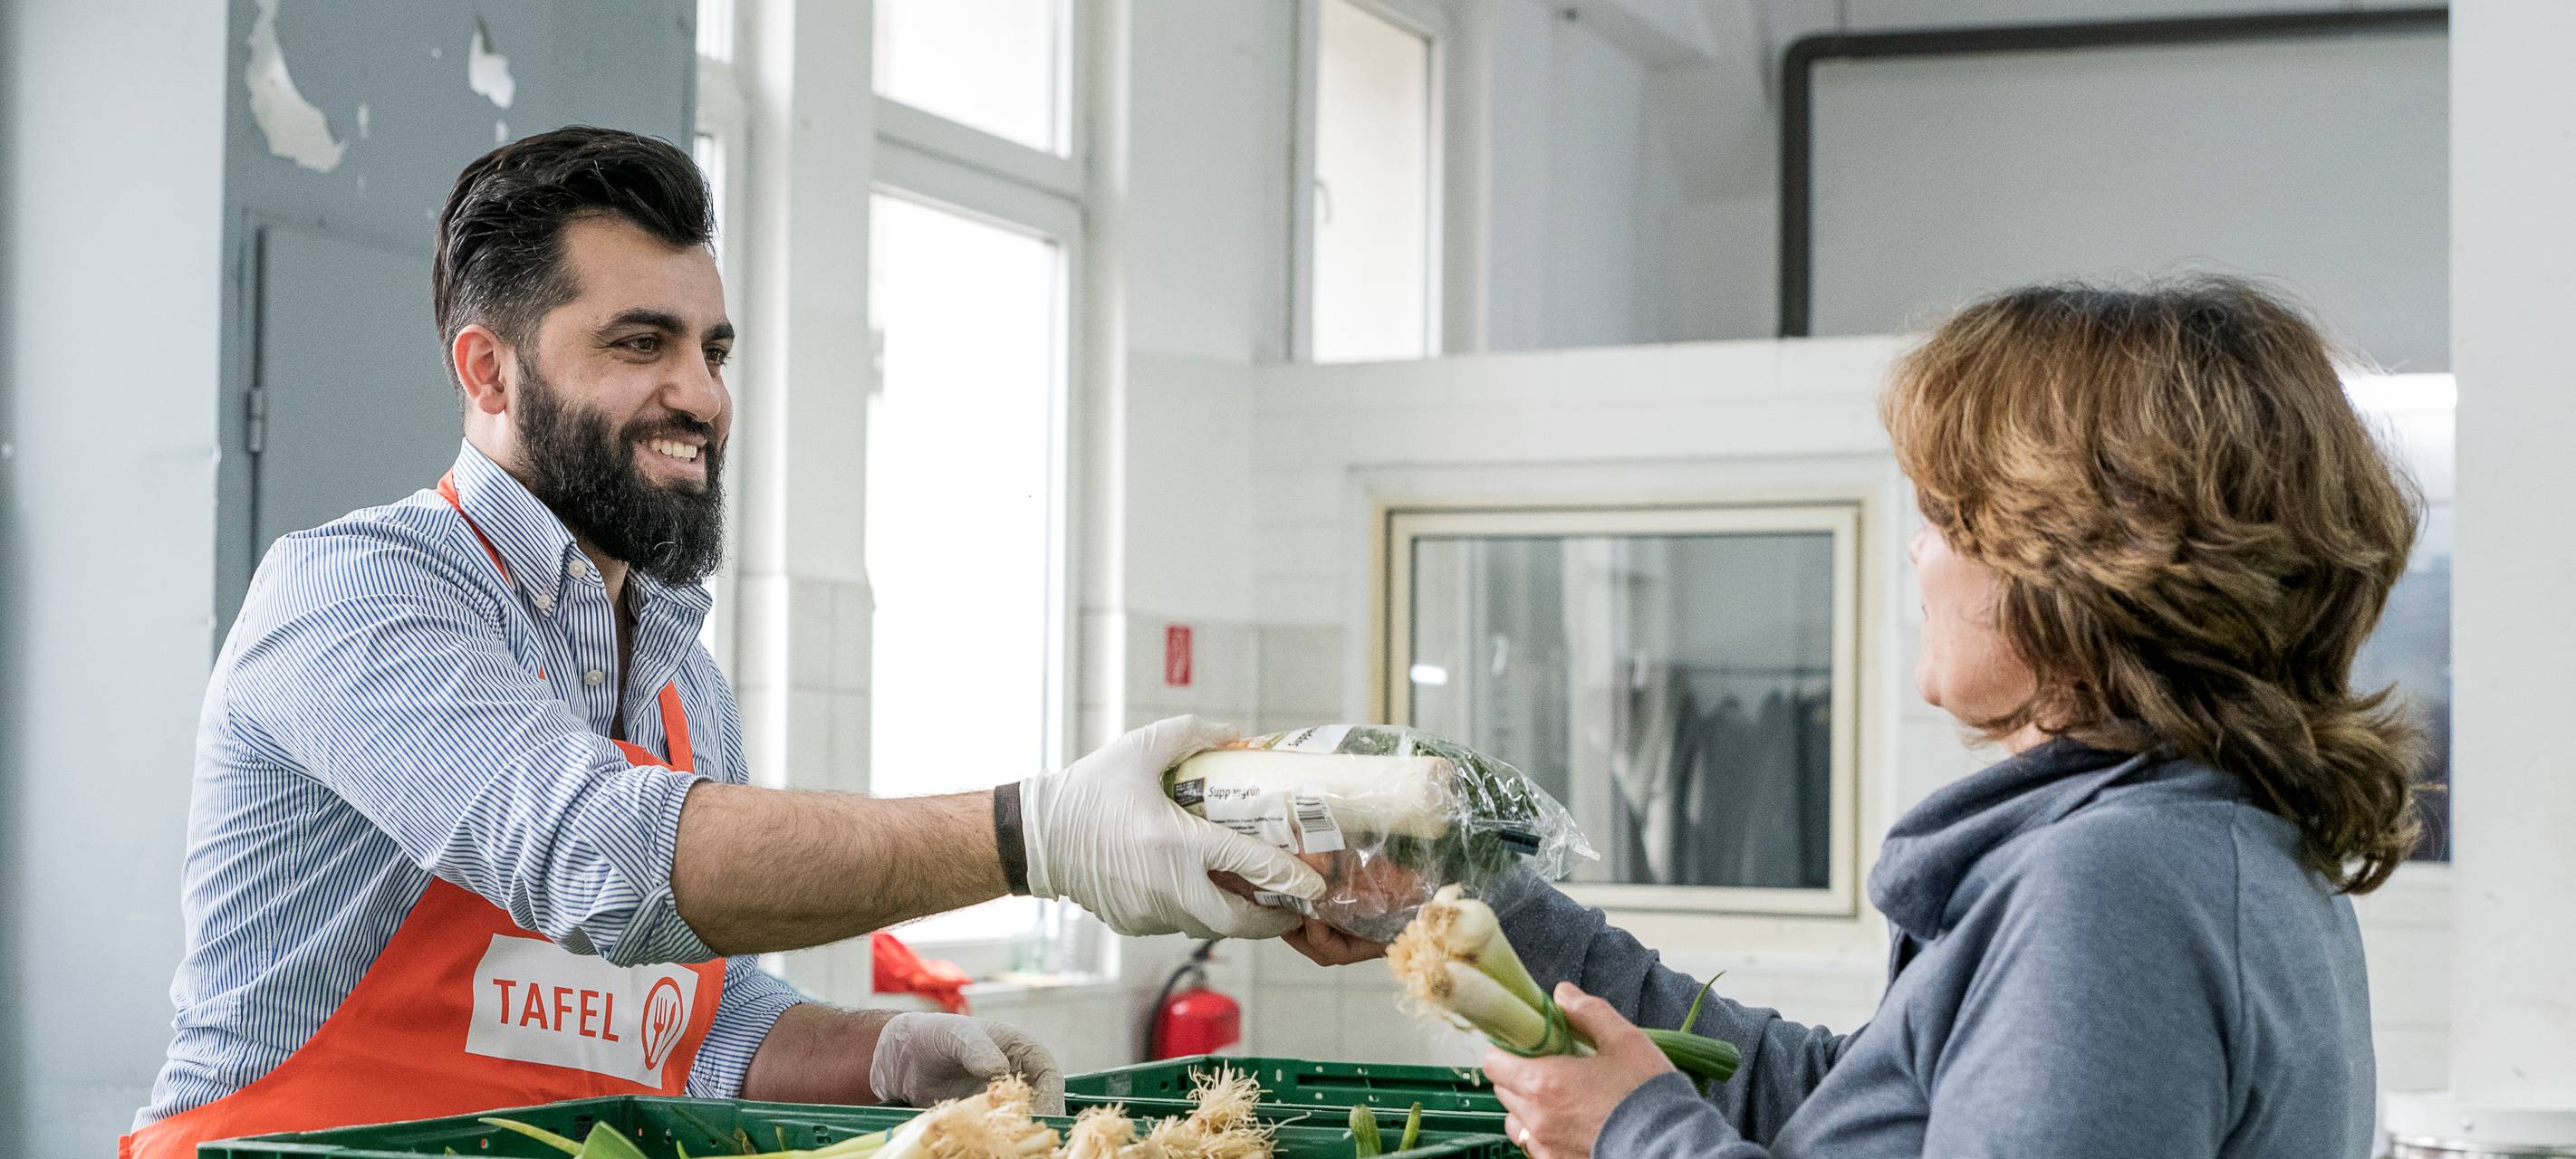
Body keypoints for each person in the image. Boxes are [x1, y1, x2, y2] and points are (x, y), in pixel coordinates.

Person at [124, 127, 1322, 1159]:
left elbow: (703, 1028)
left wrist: (884, 1053)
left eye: (714, 350)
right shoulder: (356, 596)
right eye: (640, 344)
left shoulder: (680, 674)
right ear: (487, 370)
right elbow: (600, 857)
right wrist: (1036, 833)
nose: (701, 394)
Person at [1288, 278, 2423, 1158]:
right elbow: (1849, 1105)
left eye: (1944, 517)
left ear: (2080, 566)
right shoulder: (2196, 842)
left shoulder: (2116, 886)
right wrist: (1474, 910)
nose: (1920, 555)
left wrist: (1631, 1132)